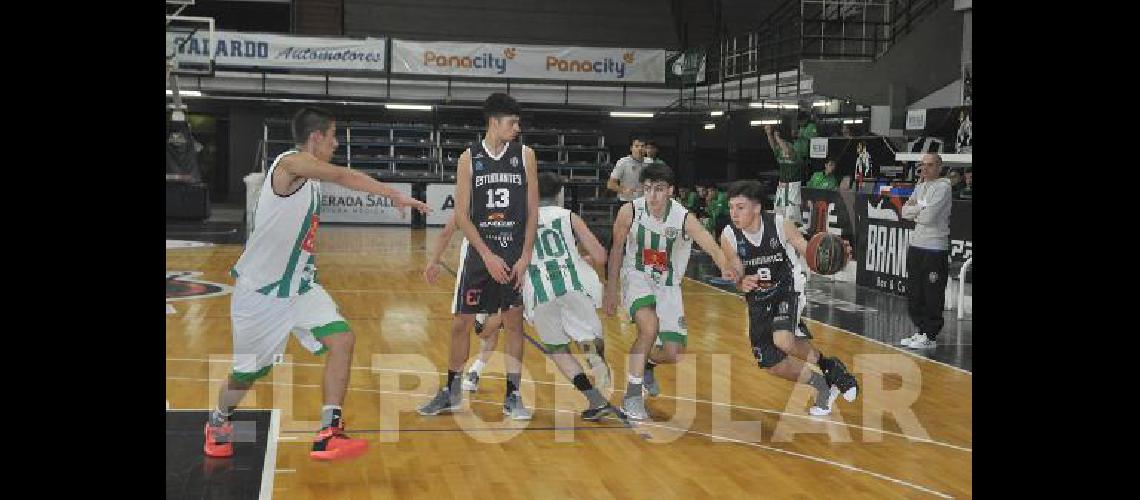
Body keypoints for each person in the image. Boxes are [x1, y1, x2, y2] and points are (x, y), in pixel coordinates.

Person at [205, 106, 431, 461]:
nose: (336, 143)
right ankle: (219, 421)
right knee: (245, 376)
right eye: (333, 137)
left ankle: (329, 431)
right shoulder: (289, 166)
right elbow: (341, 175)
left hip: (301, 287)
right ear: (316, 138)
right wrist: (393, 194)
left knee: (342, 339)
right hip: (261, 295)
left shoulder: (311, 180)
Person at [418, 93, 539, 420]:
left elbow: (532, 210)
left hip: (513, 253)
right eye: (512, 122)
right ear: (494, 122)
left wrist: (526, 255)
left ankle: (513, 395)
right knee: (461, 323)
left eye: (517, 122)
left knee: (513, 323)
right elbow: (461, 214)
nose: (517, 127)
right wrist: (486, 254)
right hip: (479, 253)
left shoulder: (525, 156)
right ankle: (452, 391)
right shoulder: (468, 158)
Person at [602, 164, 738, 420]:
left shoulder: (683, 217)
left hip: (667, 284)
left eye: (659, 189)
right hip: (636, 276)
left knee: (674, 354)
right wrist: (611, 289)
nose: (652, 195)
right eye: (648, 189)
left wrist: (724, 265)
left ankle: (648, 365)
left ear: (670, 192)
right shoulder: (629, 211)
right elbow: (617, 250)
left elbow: (708, 243)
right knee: (649, 328)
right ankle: (631, 396)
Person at [720, 180, 859, 415]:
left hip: (787, 288)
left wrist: (835, 257)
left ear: (756, 207)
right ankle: (824, 383)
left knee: (783, 340)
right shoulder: (728, 235)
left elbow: (808, 250)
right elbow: (734, 268)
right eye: (731, 207)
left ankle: (830, 367)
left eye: (740, 207)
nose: (734, 213)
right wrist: (740, 281)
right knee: (771, 363)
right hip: (758, 298)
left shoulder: (779, 224)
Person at [522, 172, 623, 419]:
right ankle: (597, 365)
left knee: (557, 349)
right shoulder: (569, 217)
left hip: (539, 290)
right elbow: (600, 256)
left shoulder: (522, 219)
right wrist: (581, 259)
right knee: (587, 337)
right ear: (559, 195)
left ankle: (594, 399)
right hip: (572, 284)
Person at [422, 213, 506, 393]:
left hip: (475, 267)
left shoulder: (470, 198)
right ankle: (477, 372)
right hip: (504, 262)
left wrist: (434, 260)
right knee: (492, 322)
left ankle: (461, 381)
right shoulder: (512, 195)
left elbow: (447, 231)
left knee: (468, 327)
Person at [898, 153, 954, 350]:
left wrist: (918, 210)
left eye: (930, 165)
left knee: (932, 293)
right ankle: (920, 331)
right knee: (915, 292)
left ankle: (930, 335)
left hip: (934, 248)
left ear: (939, 167)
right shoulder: (920, 186)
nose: (925, 169)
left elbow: (929, 217)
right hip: (917, 245)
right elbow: (904, 211)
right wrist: (919, 209)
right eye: (923, 165)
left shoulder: (943, 187)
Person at [764, 125, 803, 225]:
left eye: (782, 144)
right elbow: (773, 147)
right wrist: (769, 134)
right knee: (778, 213)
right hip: (782, 185)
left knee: (791, 215)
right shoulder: (780, 153)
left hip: (793, 186)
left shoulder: (795, 156)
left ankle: (794, 233)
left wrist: (778, 138)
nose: (780, 147)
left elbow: (787, 151)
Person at [607, 136, 648, 202]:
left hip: (644, 202)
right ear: (631, 148)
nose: (640, 149)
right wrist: (623, 190)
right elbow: (610, 184)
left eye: (642, 146)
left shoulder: (650, 162)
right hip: (626, 201)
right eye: (636, 146)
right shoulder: (623, 162)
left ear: (646, 149)